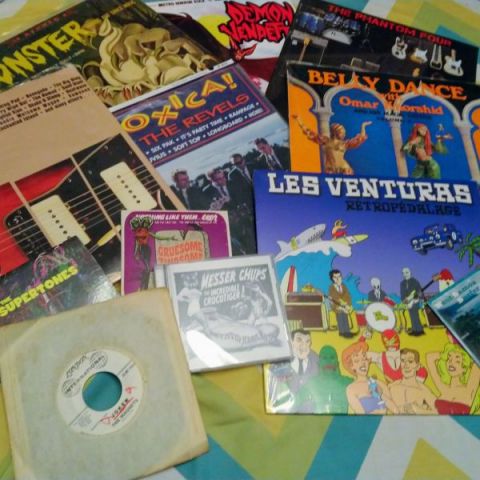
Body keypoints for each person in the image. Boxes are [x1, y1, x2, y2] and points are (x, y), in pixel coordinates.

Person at [292, 115, 372, 174]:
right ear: (335, 132)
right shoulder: (326, 141)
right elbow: (308, 132)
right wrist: (299, 120)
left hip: (344, 168)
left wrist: (363, 126)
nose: (344, 134)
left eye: (344, 132)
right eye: (342, 132)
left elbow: (360, 139)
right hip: (330, 168)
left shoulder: (345, 143)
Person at [342, 341, 395, 414]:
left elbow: (395, 410)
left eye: (364, 358)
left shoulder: (380, 384)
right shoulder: (351, 389)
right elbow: (361, 415)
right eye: (357, 361)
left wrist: (381, 395)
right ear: (351, 366)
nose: (363, 363)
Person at [426, 343, 480, 415]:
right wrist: (446, 354)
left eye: (457, 361)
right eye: (449, 359)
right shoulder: (444, 388)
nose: (451, 363)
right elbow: (430, 357)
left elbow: (477, 359)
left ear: (464, 368)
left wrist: (465, 355)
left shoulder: (469, 390)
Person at [388, 349, 438, 414]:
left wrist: (417, 410)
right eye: (402, 361)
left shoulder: (423, 390)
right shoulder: (391, 387)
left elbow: (440, 411)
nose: (406, 365)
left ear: (417, 366)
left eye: (410, 361)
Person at [328, 269, 354, 338]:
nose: (338, 279)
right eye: (335, 277)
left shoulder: (344, 286)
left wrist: (347, 304)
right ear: (332, 279)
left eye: (339, 277)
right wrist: (341, 306)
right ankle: (342, 332)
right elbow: (334, 298)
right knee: (340, 316)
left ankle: (346, 331)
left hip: (344, 305)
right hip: (336, 306)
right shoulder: (332, 287)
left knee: (345, 317)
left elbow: (348, 296)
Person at [400, 267, 424, 336]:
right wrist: (405, 301)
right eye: (403, 273)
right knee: (411, 315)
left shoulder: (415, 281)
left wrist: (413, 300)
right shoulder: (402, 283)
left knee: (415, 315)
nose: (405, 274)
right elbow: (402, 294)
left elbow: (420, 293)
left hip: (415, 301)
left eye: (407, 272)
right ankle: (415, 329)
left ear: (410, 273)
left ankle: (419, 330)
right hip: (407, 302)